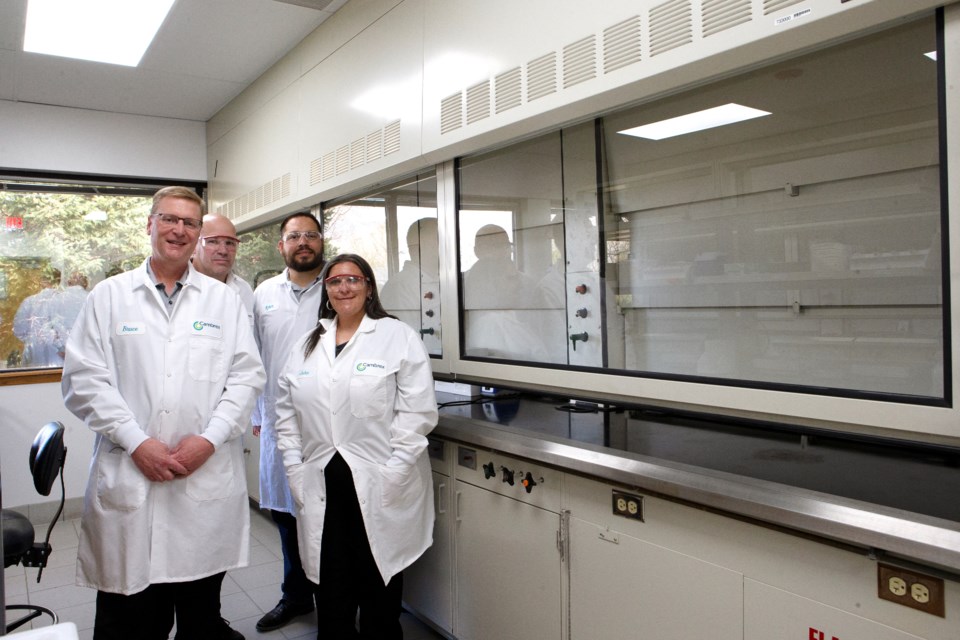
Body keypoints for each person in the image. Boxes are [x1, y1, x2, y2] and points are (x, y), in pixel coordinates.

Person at [61, 186, 266, 640]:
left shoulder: (223, 301)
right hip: (131, 481)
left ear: (198, 236)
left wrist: (209, 440)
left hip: (203, 485)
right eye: (168, 219)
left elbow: (246, 379)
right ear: (149, 225)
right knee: (129, 624)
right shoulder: (109, 297)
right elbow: (83, 380)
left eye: (189, 223)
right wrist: (137, 442)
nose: (178, 230)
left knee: (200, 620)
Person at [274, 253, 438, 639]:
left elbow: (417, 412)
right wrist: (295, 468)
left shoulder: (396, 336)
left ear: (368, 286)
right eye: (335, 282)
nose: (344, 287)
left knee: (378, 588)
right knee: (331, 591)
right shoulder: (306, 345)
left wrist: (396, 468)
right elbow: (286, 414)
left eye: (353, 279)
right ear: (327, 291)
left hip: (378, 478)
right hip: (321, 481)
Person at [251, 212, 325, 632]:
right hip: (279, 423)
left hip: (330, 423)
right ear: (281, 246)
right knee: (287, 514)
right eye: (294, 236)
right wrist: (258, 415)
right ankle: (294, 595)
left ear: (321, 242)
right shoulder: (264, 293)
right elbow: (255, 358)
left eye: (310, 235)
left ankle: (334, 600)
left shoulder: (337, 287)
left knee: (329, 513)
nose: (303, 242)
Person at [379, 218, 440, 343]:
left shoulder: (441, 281)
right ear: (416, 248)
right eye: (438, 242)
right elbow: (405, 340)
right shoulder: (399, 287)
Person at [12, 267, 86, 367]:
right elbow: (70, 328)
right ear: (59, 281)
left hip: (34, 355)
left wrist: (33, 339)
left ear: (40, 281)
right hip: (59, 357)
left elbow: (19, 330)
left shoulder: (29, 302)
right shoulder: (65, 301)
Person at [192, 213, 255, 324]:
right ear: (193, 246)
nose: (223, 251)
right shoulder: (177, 287)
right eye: (212, 241)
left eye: (230, 243)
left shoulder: (244, 290)